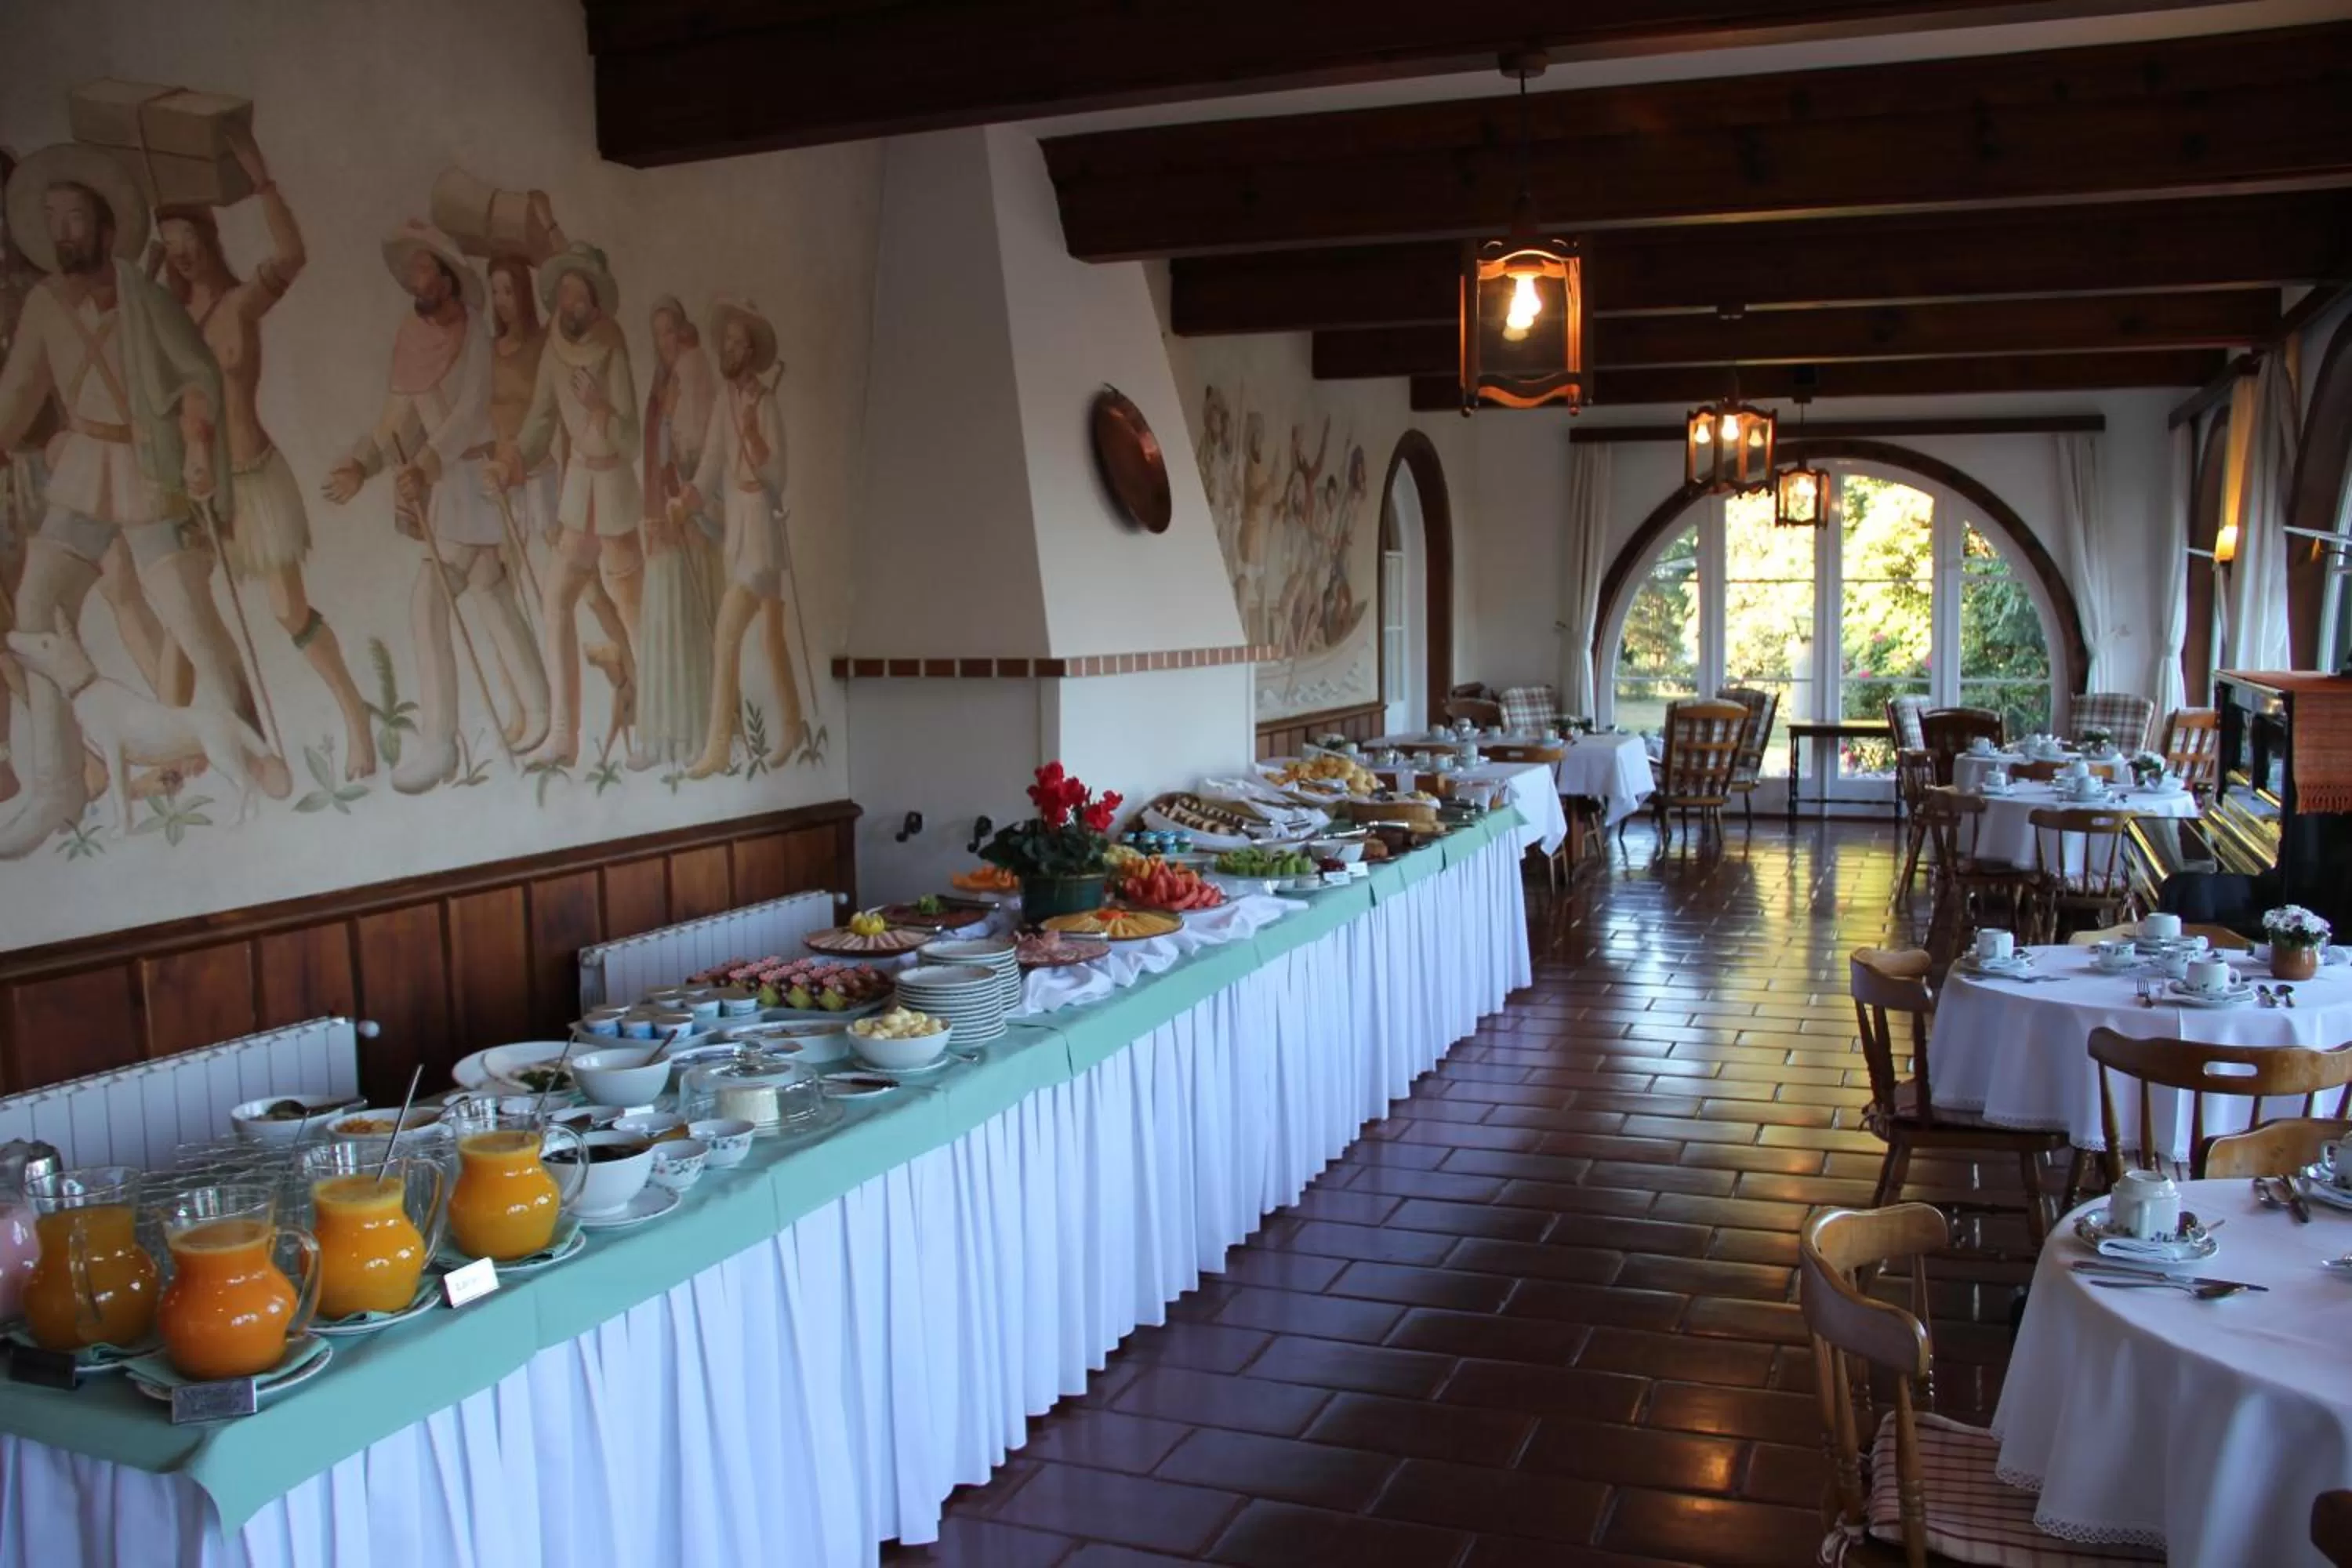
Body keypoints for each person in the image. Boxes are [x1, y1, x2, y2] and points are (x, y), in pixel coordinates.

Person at [0, 143, 285, 858]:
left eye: (76, 218)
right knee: (36, 608)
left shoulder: (142, 293)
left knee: (188, 615)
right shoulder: (42, 305)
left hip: (148, 469)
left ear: (104, 225)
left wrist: (195, 442)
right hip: (82, 474)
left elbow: (197, 376)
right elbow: (16, 399)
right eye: (52, 220)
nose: (65, 232)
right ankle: (58, 780)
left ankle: (245, 749)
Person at [155, 120, 374, 779]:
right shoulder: (164, 326)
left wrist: (260, 179)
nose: (183, 254)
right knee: (180, 613)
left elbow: (293, 254)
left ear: (209, 241)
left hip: (251, 476)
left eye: (190, 240)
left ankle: (357, 721)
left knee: (288, 610)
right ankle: (181, 753)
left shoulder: (238, 305)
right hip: (195, 485)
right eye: (170, 247)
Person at [322, 220, 547, 792]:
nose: (414, 280)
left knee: (431, 600)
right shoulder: (410, 337)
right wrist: (361, 463)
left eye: (424, 269)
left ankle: (441, 744)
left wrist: (424, 465)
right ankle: (539, 707)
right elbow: (394, 418)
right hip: (444, 486)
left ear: (447, 277)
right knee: (489, 589)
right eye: (411, 270)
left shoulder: (473, 332)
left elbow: (472, 411)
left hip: (471, 474)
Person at [499, 241, 640, 768]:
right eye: (564, 296)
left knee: (632, 613)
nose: (569, 307)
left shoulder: (612, 346)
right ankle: (564, 733)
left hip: (615, 495)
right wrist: (510, 463)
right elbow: (539, 420)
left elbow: (630, 441)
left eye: (579, 299)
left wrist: (601, 409)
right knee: (556, 601)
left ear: (596, 305)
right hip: (580, 494)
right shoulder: (555, 349)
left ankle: (649, 727)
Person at [673, 297, 809, 776]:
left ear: (750, 351)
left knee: (727, 635)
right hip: (740, 535)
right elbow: (711, 464)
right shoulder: (723, 403)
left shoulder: (765, 404)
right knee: (773, 638)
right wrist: (687, 500)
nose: (727, 350)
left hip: (762, 539)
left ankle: (717, 745)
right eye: (725, 342)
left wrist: (754, 437)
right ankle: (793, 727)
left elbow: (777, 475)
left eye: (735, 343)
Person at [632, 294, 717, 771]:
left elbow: (696, 452)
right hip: (663, 523)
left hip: (689, 522)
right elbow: (657, 451)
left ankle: (690, 733)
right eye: (656, 335)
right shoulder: (661, 385)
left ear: (682, 331)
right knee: (660, 625)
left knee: (685, 629)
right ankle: (660, 733)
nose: (663, 343)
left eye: (669, 331)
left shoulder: (693, 375)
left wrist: (684, 493)